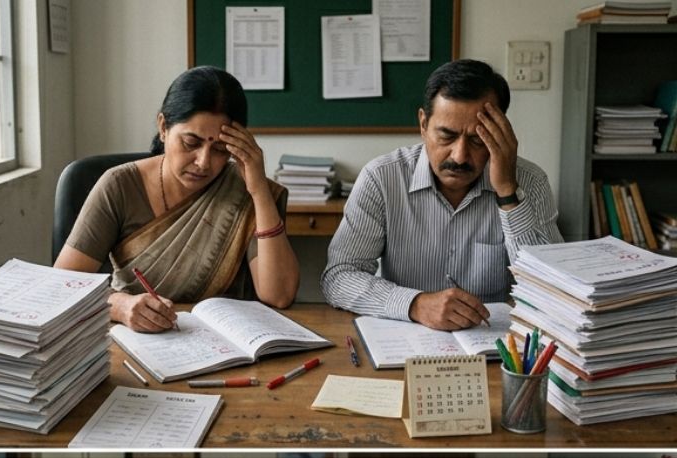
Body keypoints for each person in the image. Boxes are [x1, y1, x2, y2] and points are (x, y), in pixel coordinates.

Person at [54, 66, 299, 333]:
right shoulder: (119, 186)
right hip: (133, 340)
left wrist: (259, 191)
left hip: (226, 341)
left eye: (219, 149)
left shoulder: (243, 190)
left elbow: (279, 295)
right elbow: (61, 285)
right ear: (163, 127)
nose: (203, 163)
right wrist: (120, 306)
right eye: (191, 143)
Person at [322, 59, 563, 330]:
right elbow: (339, 278)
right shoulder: (382, 178)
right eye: (446, 136)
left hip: (494, 347)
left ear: (501, 132)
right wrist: (415, 304)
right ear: (423, 124)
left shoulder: (529, 182)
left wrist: (508, 192)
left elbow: (553, 293)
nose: (460, 156)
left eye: (477, 140)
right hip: (404, 339)